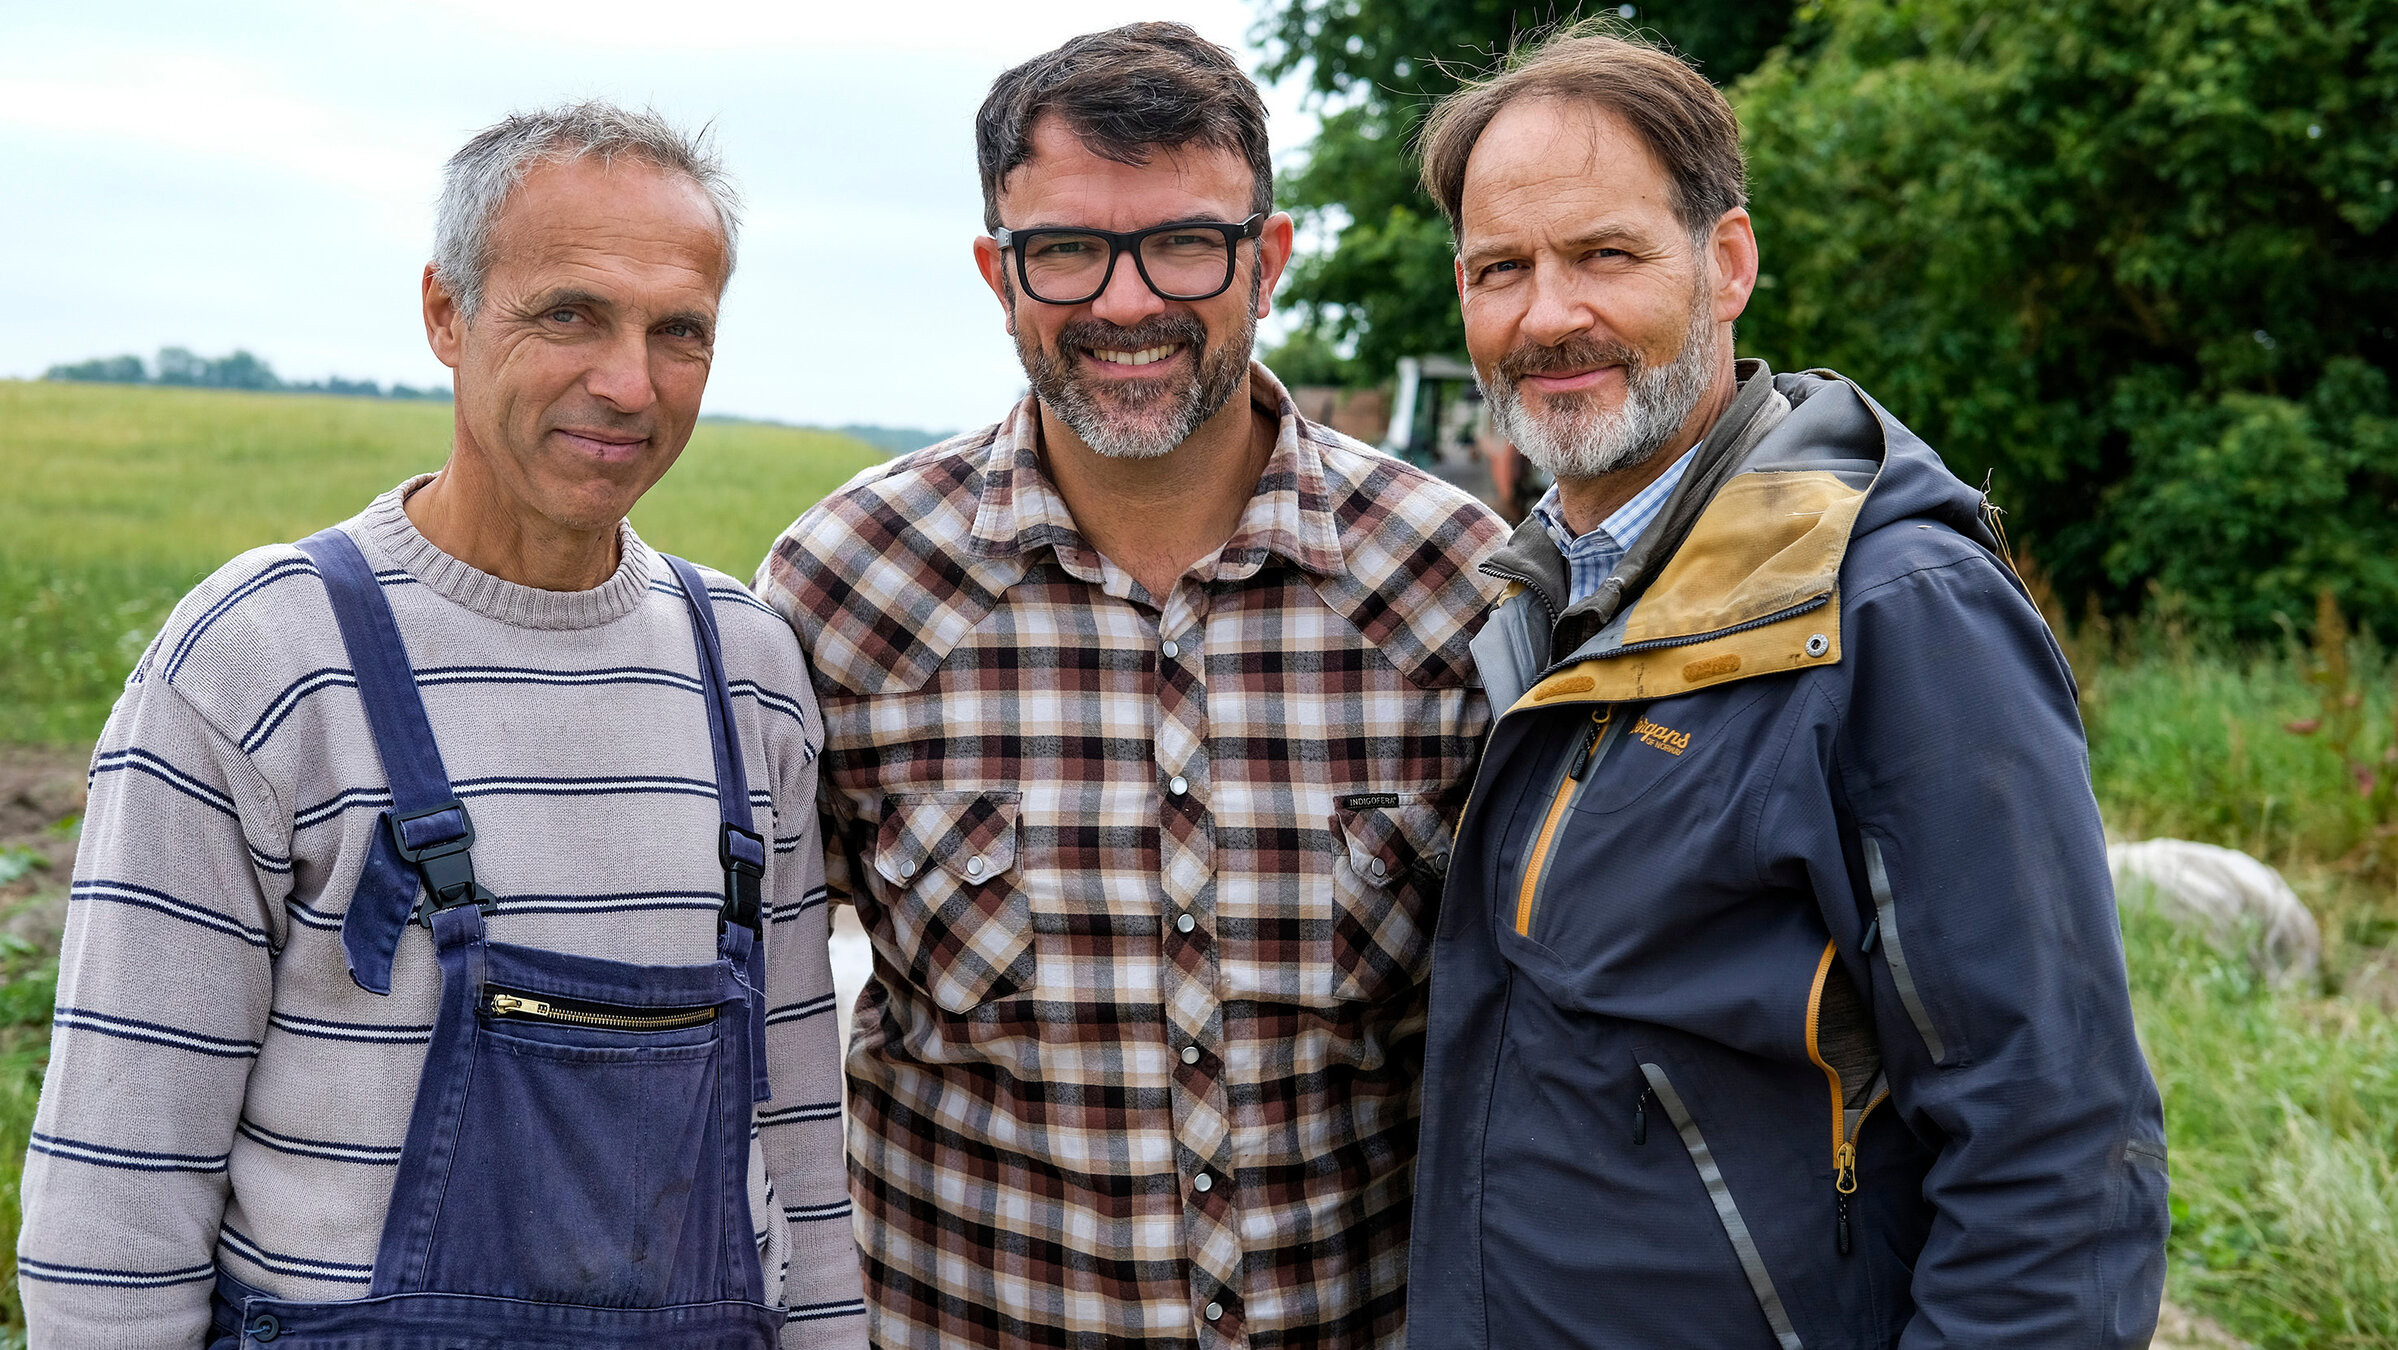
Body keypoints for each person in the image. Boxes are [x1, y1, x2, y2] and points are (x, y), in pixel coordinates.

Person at [18, 103, 865, 1349]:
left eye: (677, 331)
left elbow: (797, 1134)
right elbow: (117, 1189)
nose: (628, 382)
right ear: (446, 314)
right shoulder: (264, 660)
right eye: (569, 312)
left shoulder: (743, 672)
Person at [1400, 24, 2170, 1350]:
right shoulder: (1530, 606)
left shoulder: (1888, 609)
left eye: (1604, 254)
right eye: (1499, 269)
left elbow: (2055, 1150)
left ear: (1729, 263)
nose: (1546, 315)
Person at [755, 23, 1508, 1349]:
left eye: (1183, 242)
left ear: (1266, 261)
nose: (1123, 301)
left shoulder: (1456, 587)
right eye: (1065, 251)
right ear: (997, 273)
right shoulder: (843, 587)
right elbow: (739, 1023)